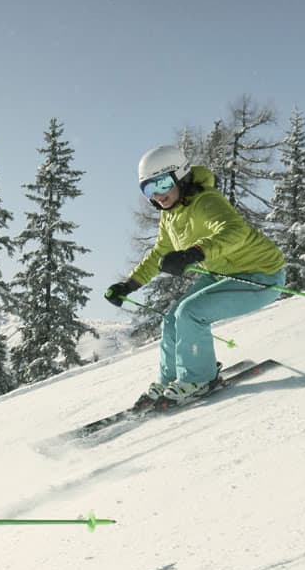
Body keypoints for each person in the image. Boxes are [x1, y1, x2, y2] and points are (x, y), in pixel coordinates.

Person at [103, 145, 287, 404]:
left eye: (163, 183)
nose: (157, 195)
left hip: (260, 275)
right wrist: (129, 285)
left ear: (180, 176)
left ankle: (199, 380)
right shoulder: (171, 214)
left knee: (190, 313)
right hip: (221, 273)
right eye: (148, 188)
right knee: (171, 318)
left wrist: (194, 253)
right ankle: (170, 381)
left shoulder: (206, 202)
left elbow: (236, 231)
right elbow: (159, 253)